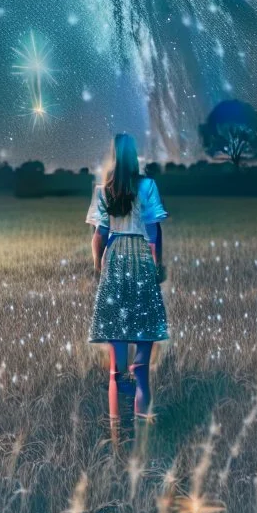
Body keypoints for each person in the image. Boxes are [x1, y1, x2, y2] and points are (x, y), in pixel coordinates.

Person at [85, 133, 170, 421]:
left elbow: (100, 235)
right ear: (135, 155)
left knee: (114, 369)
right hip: (142, 261)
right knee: (142, 367)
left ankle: (115, 436)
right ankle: (142, 433)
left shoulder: (103, 190)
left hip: (116, 258)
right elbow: (155, 232)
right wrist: (157, 265)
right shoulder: (147, 186)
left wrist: (98, 266)